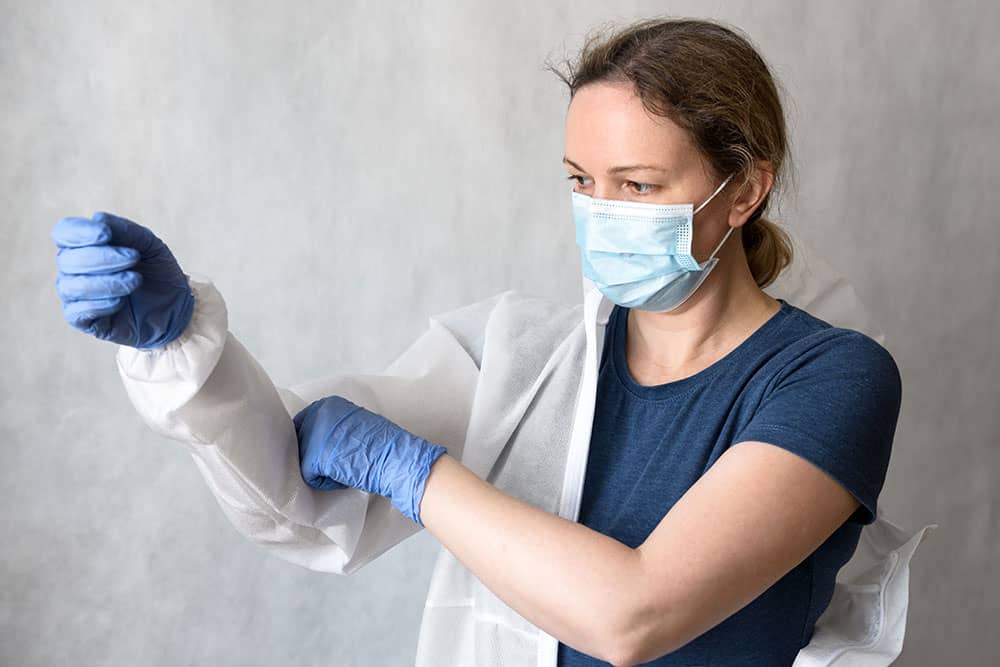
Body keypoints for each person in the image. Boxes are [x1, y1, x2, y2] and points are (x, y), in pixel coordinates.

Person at [51, 16, 935, 667]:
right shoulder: (526, 357)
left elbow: (634, 614)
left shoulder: (832, 378)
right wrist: (184, 354)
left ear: (743, 190)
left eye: (637, 182)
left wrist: (417, 471)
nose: (600, 214)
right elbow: (298, 492)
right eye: (582, 181)